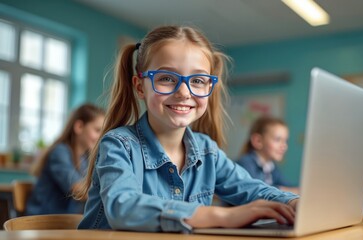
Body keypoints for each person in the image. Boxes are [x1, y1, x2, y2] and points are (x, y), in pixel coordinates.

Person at [76, 25, 299, 233]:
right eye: (166, 78)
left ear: (209, 88)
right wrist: (220, 216)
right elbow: (123, 207)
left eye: (198, 81)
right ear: (140, 87)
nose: (184, 92)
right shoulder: (118, 144)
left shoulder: (207, 151)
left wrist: (292, 202)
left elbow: (253, 189)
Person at [26, 103, 105, 215]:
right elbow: (79, 191)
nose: (101, 137)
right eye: (97, 130)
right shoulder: (60, 152)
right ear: (79, 127)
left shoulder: (85, 158)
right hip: (43, 222)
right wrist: (112, 195)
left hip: (64, 221)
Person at [236, 116, 298, 194]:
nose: (284, 146)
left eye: (285, 141)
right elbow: (256, 189)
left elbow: (287, 186)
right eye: (278, 139)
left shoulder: (271, 166)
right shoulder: (246, 163)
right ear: (258, 141)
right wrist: (284, 189)